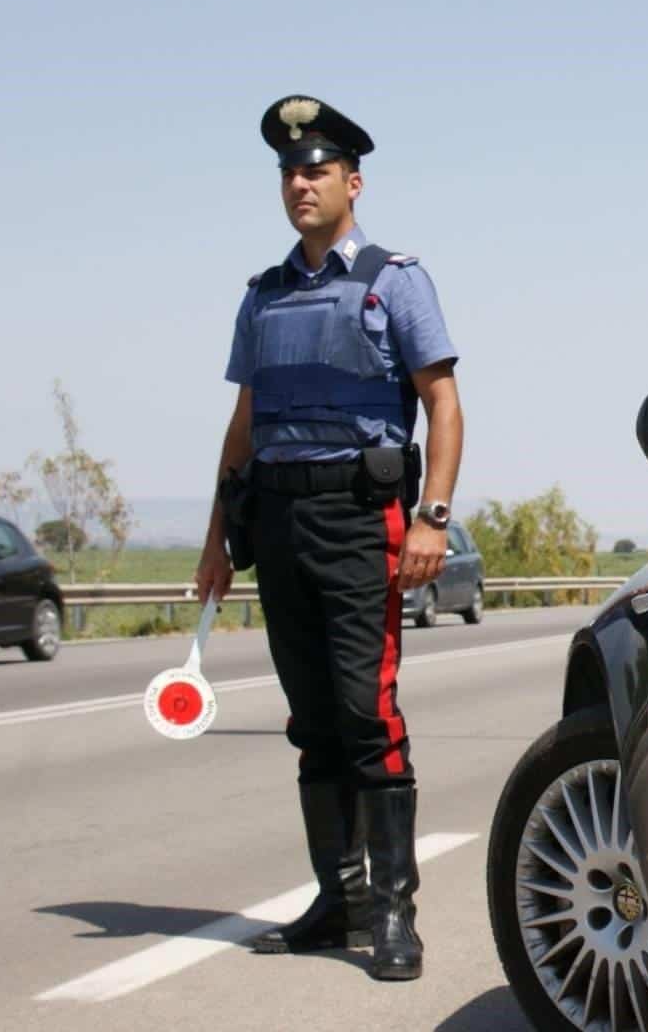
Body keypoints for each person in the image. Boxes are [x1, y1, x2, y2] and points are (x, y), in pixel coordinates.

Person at [192, 95, 464, 982]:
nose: (300, 184)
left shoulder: (395, 281)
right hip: (278, 521)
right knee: (312, 722)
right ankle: (337, 901)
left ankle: (393, 915)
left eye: (316, 170)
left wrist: (433, 517)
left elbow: (443, 403)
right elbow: (243, 426)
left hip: (360, 521)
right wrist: (215, 541)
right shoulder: (264, 296)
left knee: (366, 713)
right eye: (288, 172)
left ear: (354, 182)